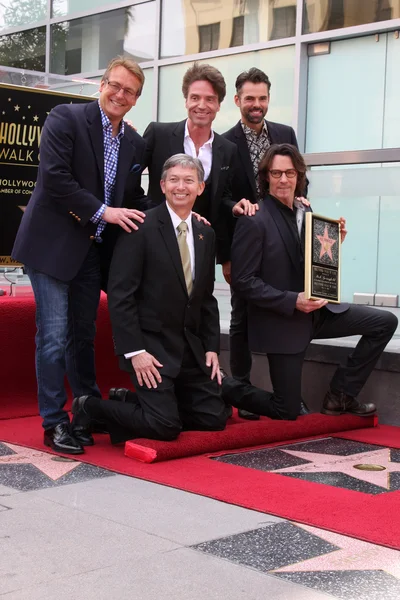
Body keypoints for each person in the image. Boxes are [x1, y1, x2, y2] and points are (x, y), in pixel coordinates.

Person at [12, 56, 148, 455]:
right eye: (115, 85)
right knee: (53, 337)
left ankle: (85, 412)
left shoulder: (135, 143)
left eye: (130, 92)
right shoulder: (64, 118)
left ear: (137, 99)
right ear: (102, 84)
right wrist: (104, 212)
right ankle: (54, 422)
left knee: (82, 336)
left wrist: (180, 214)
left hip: (91, 249)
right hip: (51, 246)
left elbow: (132, 199)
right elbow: (55, 177)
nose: (120, 95)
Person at [228, 143, 397, 420]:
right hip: (283, 320)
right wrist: (292, 300)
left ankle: (340, 395)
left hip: (319, 313)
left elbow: (305, 262)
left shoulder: (307, 212)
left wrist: (333, 244)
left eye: (290, 173)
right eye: (277, 173)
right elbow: (243, 281)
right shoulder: (254, 219)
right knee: (287, 411)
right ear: (266, 177)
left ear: (299, 177)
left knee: (385, 323)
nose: (284, 180)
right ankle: (226, 387)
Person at [71, 154, 227, 445]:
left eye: (189, 180)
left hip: (189, 349)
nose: (181, 187)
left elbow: (206, 299)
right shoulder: (139, 227)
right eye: (174, 180)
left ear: (200, 187)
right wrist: (134, 351)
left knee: (214, 419)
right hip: (150, 348)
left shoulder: (206, 232)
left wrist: (211, 347)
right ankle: (88, 407)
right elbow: (121, 295)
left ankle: (131, 401)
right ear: (163, 185)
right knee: (165, 427)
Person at [223, 68, 306, 419]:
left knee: (287, 308)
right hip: (247, 236)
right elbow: (220, 195)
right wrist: (235, 205)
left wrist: (301, 200)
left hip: (284, 234)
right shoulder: (225, 142)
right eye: (249, 98)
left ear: (268, 99)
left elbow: (298, 174)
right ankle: (241, 390)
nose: (256, 105)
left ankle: (287, 392)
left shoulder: (285, 133)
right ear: (238, 100)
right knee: (242, 314)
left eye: (262, 98)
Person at [142, 62, 256, 279]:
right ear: (186, 100)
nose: (201, 105)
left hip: (200, 250)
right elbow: (128, 181)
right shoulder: (158, 134)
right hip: (156, 244)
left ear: (219, 105)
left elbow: (222, 198)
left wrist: (234, 207)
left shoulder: (227, 149)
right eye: (195, 97)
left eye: (210, 99)